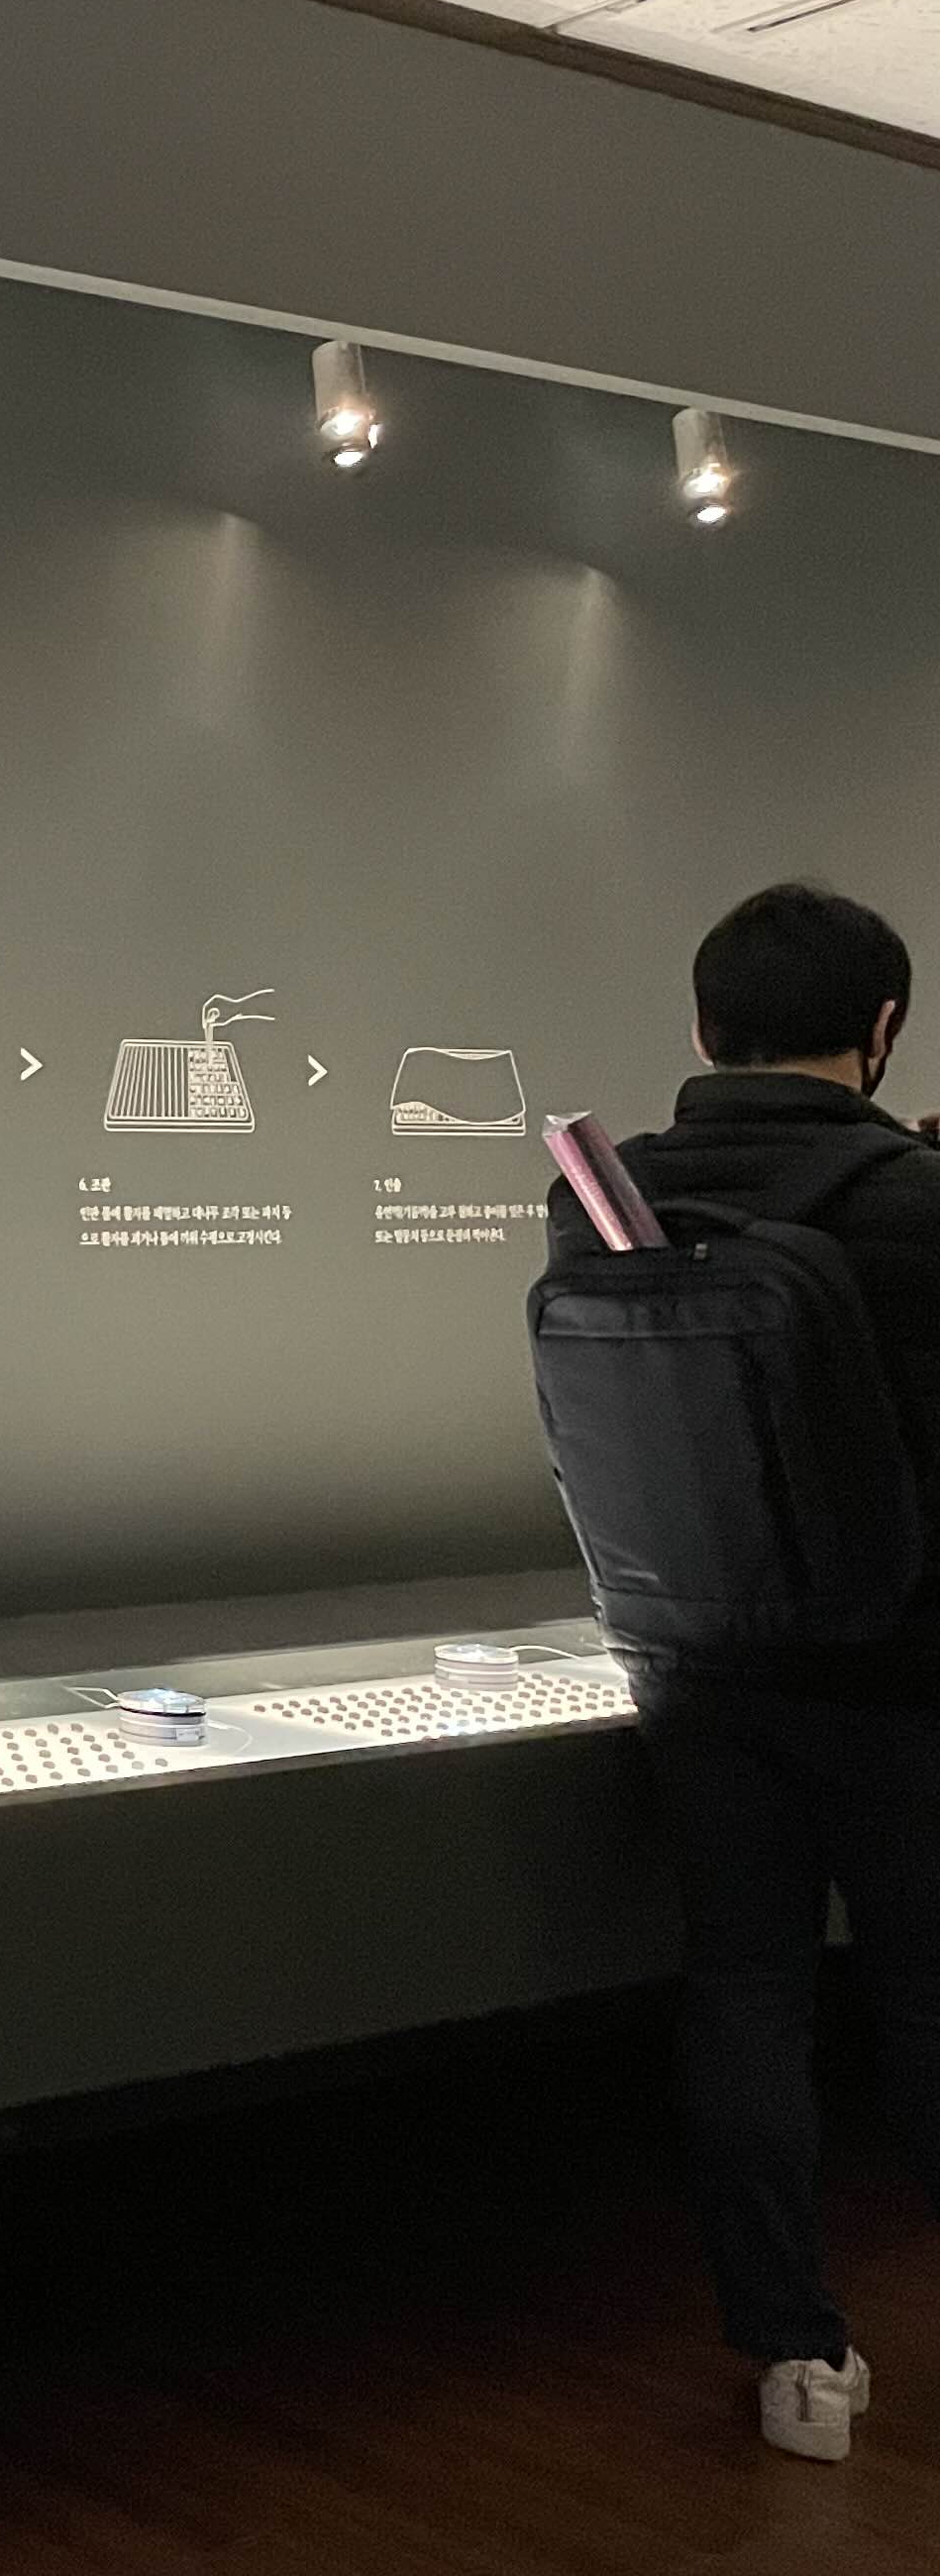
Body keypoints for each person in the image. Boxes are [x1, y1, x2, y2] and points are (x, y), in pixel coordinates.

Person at [556, 883, 940, 2461]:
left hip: (694, 1660)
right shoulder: (917, 1202)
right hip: (904, 1673)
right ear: (884, 1027)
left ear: (706, 1028)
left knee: (746, 1993)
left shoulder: (603, 1197)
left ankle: (794, 2359)